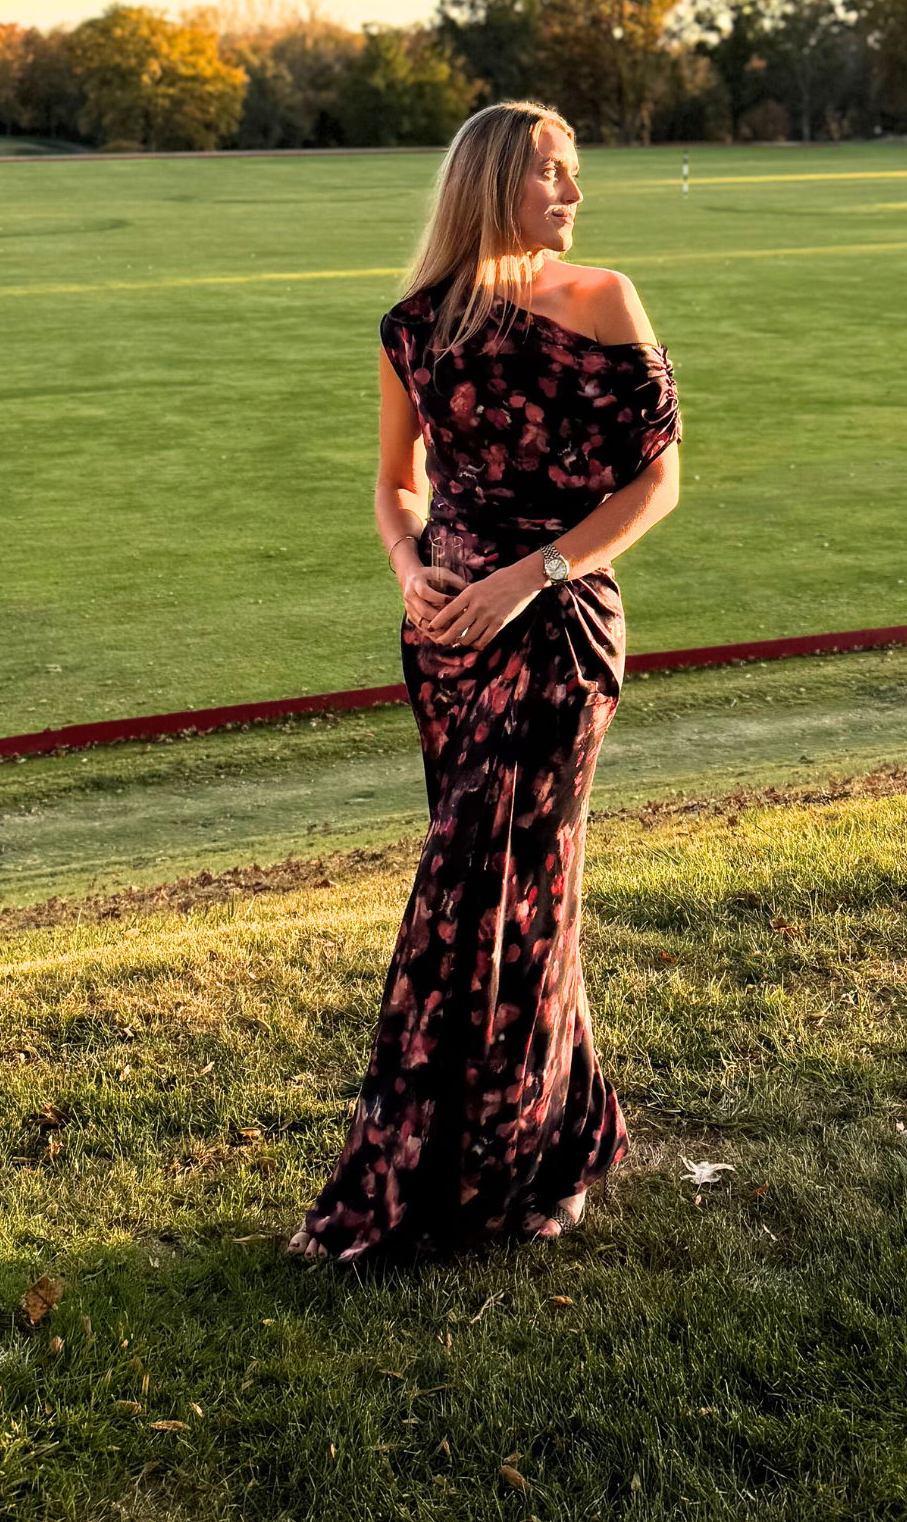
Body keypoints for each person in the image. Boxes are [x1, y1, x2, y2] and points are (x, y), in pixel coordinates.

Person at [290, 101, 681, 1264]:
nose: (574, 195)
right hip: (445, 648)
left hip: (556, 636)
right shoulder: (412, 326)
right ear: (496, 184)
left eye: (575, 175)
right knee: (510, 901)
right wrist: (410, 566)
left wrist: (529, 574)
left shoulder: (603, 300)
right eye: (553, 175)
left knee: (486, 900)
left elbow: (656, 485)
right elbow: (395, 485)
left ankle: (458, 1171)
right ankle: (566, 1141)